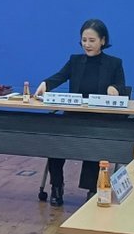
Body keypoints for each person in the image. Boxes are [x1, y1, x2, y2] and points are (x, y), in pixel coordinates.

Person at [33, 18, 126, 207]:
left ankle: (92, 189)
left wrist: (115, 89)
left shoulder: (114, 63)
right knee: (55, 142)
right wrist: (45, 84)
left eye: (92, 40)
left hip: (100, 119)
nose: (87, 44)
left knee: (95, 142)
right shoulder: (75, 61)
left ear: (103, 40)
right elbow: (59, 76)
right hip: (73, 117)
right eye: (84, 40)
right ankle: (56, 186)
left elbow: (122, 87)